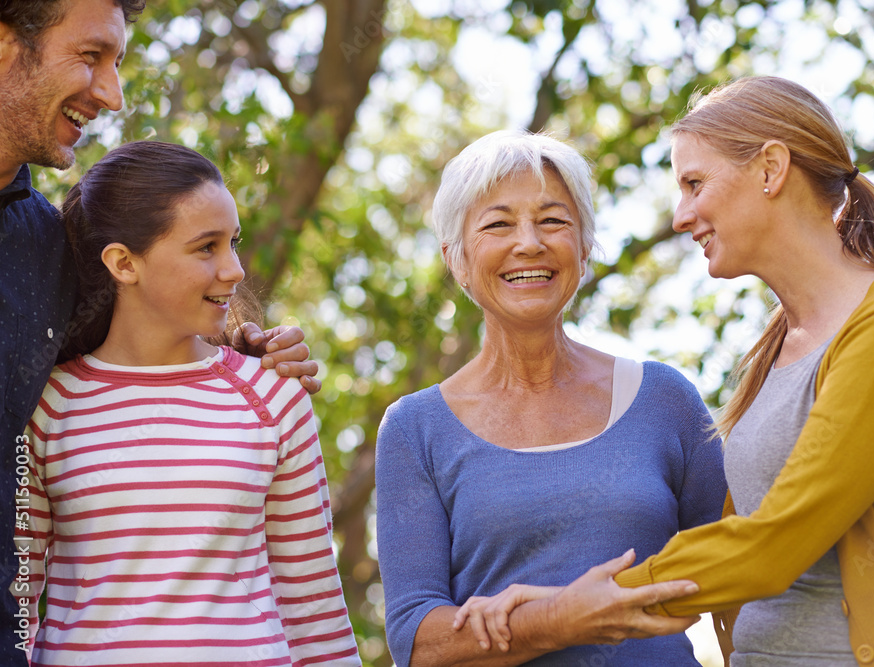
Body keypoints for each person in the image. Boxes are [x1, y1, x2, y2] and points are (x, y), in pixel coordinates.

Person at [460, 77, 874, 667]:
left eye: (694, 183)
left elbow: (774, 544)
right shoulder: (775, 349)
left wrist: (573, 610)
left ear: (770, 169)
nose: (682, 217)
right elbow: (725, 547)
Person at [0, 3, 317, 661]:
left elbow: (133, 349)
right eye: (92, 56)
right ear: (6, 43)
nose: (112, 94)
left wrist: (238, 356)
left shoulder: (46, 248)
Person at [375, 129, 728, 666]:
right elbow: (417, 642)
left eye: (553, 220)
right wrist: (558, 621)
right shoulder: (414, 429)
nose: (529, 243)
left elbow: (737, 575)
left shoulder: (665, 399)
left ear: (583, 247)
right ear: (457, 259)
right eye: (498, 224)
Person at [16, 140, 360, 666]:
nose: (236, 269)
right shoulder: (49, 405)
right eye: (207, 247)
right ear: (124, 263)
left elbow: (314, 610)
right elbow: (17, 603)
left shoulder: (272, 395)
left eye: (234, 243)